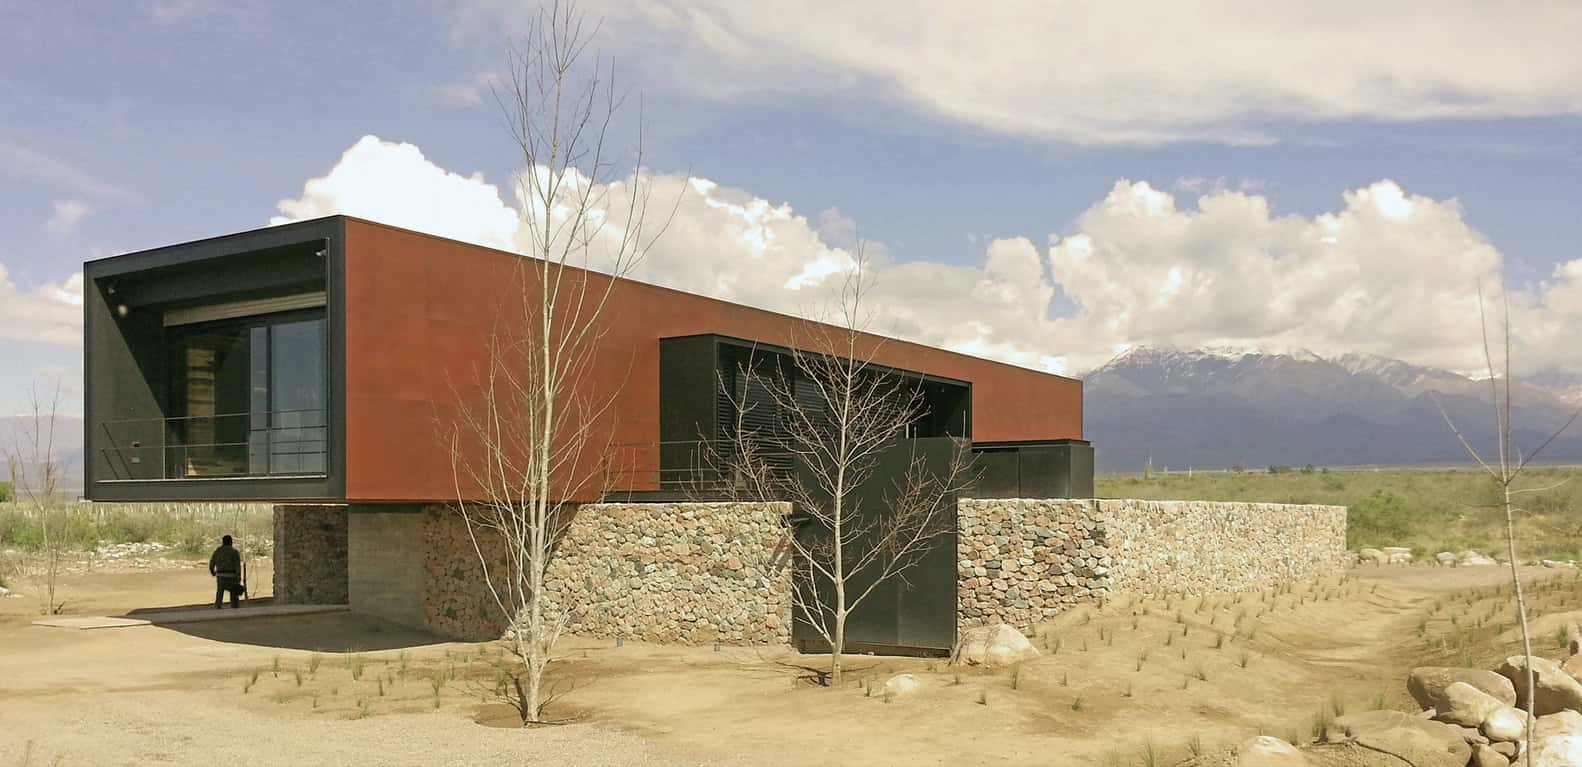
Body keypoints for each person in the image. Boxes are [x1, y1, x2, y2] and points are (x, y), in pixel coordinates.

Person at [209, 535, 244, 609]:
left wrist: (213, 572)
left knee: (220, 591)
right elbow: (237, 566)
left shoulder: (217, 551)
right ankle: (234, 607)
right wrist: (238, 577)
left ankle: (218, 606)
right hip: (232, 576)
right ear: (231, 542)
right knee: (234, 592)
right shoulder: (234, 552)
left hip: (220, 576)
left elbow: (212, 563)